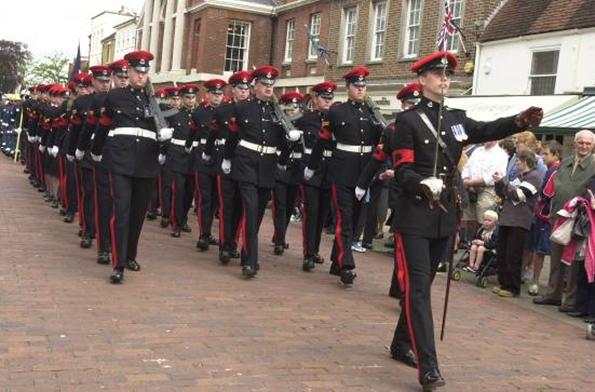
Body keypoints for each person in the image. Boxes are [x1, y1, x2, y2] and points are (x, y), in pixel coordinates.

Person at [375, 51, 542, 389]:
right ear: (422, 80)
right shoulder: (407, 122)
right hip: (415, 215)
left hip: (444, 215)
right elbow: (402, 170)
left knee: (424, 288)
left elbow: (485, 129)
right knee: (418, 290)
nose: (445, 79)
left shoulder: (455, 117)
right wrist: (421, 184)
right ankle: (429, 367)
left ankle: (400, 342)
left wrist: (518, 122)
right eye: (438, 75)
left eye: (448, 75)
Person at [90, 50, 174, 284]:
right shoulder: (115, 97)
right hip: (120, 160)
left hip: (146, 163)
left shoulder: (153, 101)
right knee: (122, 212)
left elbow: (160, 133)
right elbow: (104, 126)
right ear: (128, 71)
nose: (141, 76)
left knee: (138, 214)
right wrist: (96, 151)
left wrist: (164, 142)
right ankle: (118, 265)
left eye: (144, 72)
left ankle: (129, 256)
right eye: (137, 72)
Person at [304, 66, 384, 285]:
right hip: (341, 171)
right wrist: (312, 166)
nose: (360, 90)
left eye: (363, 86)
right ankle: (347, 264)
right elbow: (322, 140)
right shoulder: (336, 112)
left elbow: (381, 144)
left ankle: (336, 261)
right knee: (344, 219)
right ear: (348, 88)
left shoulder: (372, 113)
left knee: (356, 218)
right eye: (356, 86)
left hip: (364, 172)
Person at [222, 65, 300, 277]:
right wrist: (227, 158)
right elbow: (232, 136)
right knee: (250, 209)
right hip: (246, 163)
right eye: (264, 84)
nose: (268, 88)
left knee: (255, 216)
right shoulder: (242, 108)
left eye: (271, 85)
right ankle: (249, 261)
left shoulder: (277, 112)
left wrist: (291, 144)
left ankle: (241, 247)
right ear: (254, 85)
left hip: (267, 167)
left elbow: (284, 144)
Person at [357, 81, 422, 298]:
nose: (413, 107)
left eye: (416, 103)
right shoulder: (393, 129)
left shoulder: (430, 126)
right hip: (403, 191)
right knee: (404, 243)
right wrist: (363, 183)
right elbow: (377, 158)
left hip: (425, 191)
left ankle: (401, 287)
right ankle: (402, 289)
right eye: (409, 103)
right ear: (402, 105)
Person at [533, 130, 595, 311]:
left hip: (579, 218)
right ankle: (553, 293)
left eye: (588, 143)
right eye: (581, 142)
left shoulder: (594, 164)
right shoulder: (566, 162)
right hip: (559, 216)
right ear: (575, 143)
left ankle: (570, 299)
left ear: (592, 145)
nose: (584, 146)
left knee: (574, 261)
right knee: (556, 257)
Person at [202, 70, 253, 263]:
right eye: (241, 88)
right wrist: (207, 152)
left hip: (245, 162)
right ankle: (225, 244)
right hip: (224, 159)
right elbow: (213, 134)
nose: (244, 92)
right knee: (227, 206)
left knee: (241, 206)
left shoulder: (252, 110)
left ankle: (233, 243)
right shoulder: (222, 110)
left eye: (247, 88)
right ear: (233, 89)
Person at [296, 81, 336, 272]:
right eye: (324, 98)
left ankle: (315, 250)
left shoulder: (336, 118)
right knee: (311, 212)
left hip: (328, 170)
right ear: (315, 98)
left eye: (330, 98)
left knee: (322, 213)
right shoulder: (306, 119)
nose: (327, 101)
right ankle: (308, 253)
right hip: (310, 169)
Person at [491, 149, 541, 297]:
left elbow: (518, 195)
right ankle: (503, 283)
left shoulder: (534, 177)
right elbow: (503, 194)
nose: (516, 163)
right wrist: (499, 183)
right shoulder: (518, 176)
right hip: (506, 219)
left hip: (519, 221)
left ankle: (513, 288)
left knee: (513, 255)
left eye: (518, 160)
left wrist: (504, 182)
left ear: (526, 161)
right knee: (503, 254)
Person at [191, 79, 227, 250]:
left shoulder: (227, 111)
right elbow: (194, 134)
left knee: (216, 199)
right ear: (207, 95)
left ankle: (211, 233)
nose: (218, 97)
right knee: (205, 197)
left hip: (220, 156)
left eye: (220, 94)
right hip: (204, 157)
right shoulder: (199, 112)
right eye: (214, 94)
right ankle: (203, 234)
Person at [526, 140, 562, 295]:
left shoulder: (554, 170)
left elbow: (546, 193)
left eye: (546, 154)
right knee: (537, 248)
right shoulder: (552, 169)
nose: (542, 156)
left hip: (546, 215)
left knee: (540, 250)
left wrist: (540, 200)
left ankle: (536, 282)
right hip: (546, 214)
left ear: (555, 154)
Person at [271, 91, 304, 256]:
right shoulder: (278, 124)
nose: (293, 112)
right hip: (280, 167)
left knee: (290, 205)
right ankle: (279, 240)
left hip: (296, 168)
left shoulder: (303, 123)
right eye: (289, 109)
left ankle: (280, 234)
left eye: (295, 108)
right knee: (280, 205)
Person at [167, 84, 198, 238]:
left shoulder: (199, 115)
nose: (190, 100)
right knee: (178, 191)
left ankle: (184, 219)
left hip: (193, 158)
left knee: (189, 193)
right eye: (187, 97)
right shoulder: (174, 115)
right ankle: (176, 223)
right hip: (177, 156)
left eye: (193, 98)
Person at [461, 140, 508, 237]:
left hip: (487, 190)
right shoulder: (477, 151)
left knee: (485, 220)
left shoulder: (500, 154)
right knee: (469, 219)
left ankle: (483, 246)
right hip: (470, 189)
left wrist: (470, 183)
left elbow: (492, 176)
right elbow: (467, 167)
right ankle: (472, 244)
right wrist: (466, 179)